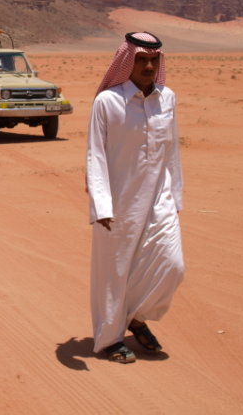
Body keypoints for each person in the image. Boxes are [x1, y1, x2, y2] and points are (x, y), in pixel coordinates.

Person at [85, 32, 184, 364]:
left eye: (154, 60)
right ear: (127, 62)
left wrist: (176, 197)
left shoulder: (167, 98)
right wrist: (101, 204)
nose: (149, 66)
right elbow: (95, 155)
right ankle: (110, 339)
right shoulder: (108, 102)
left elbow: (171, 151)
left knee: (172, 265)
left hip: (160, 198)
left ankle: (136, 316)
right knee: (113, 272)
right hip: (119, 202)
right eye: (141, 59)